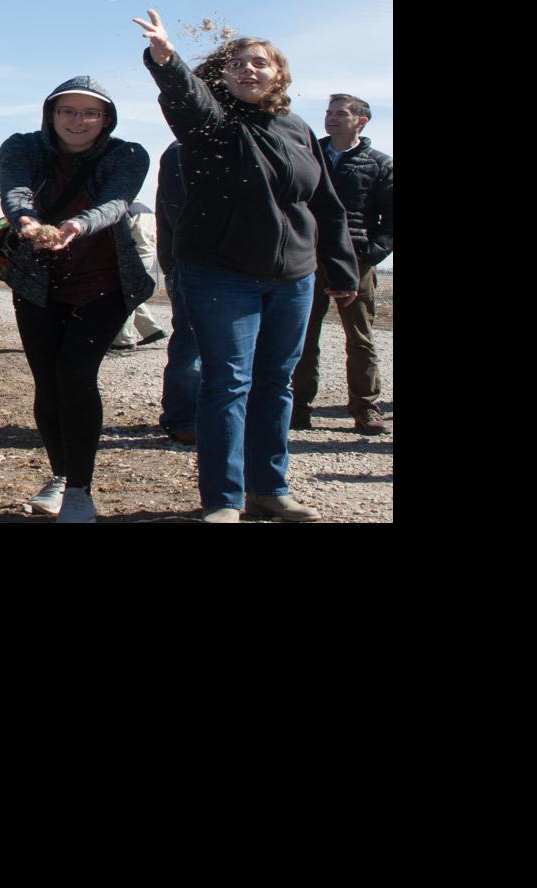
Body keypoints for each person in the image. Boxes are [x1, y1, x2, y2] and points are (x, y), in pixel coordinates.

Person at [133, 10, 358, 523]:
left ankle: (269, 490)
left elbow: (324, 202)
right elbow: (185, 99)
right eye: (238, 63)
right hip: (221, 272)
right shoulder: (212, 121)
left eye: (260, 63)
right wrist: (166, 61)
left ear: (279, 74)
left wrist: (340, 270)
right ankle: (223, 500)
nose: (249, 70)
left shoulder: (298, 129)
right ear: (223, 75)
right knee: (228, 383)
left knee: (276, 383)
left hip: (294, 277)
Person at [0, 76, 153, 523]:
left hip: (105, 279)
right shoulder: (22, 146)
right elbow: (16, 191)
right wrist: (26, 221)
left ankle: (81, 490)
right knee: (48, 380)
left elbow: (115, 204)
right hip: (38, 281)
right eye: (67, 111)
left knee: (75, 373)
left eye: (90, 112)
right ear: (51, 114)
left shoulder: (127, 154)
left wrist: (77, 226)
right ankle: (61, 476)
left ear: (106, 119)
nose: (77, 121)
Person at [292, 93, 393, 434]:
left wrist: (369, 255)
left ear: (361, 121)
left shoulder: (380, 164)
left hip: (357, 261)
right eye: (328, 112)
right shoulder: (309, 156)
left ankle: (366, 409)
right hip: (309, 257)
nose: (331, 118)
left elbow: (390, 221)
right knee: (303, 335)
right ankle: (297, 408)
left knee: (360, 337)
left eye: (340, 113)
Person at [153, 141, 199, 446]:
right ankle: (184, 419)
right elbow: (170, 211)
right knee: (191, 343)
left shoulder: (257, 137)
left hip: (256, 262)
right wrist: (171, 264)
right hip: (195, 262)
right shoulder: (181, 149)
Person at [108, 202, 167, 351]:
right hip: (148, 253)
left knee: (125, 296)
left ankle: (123, 341)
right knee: (133, 294)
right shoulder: (145, 209)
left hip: (133, 255)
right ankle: (152, 330)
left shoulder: (125, 210)